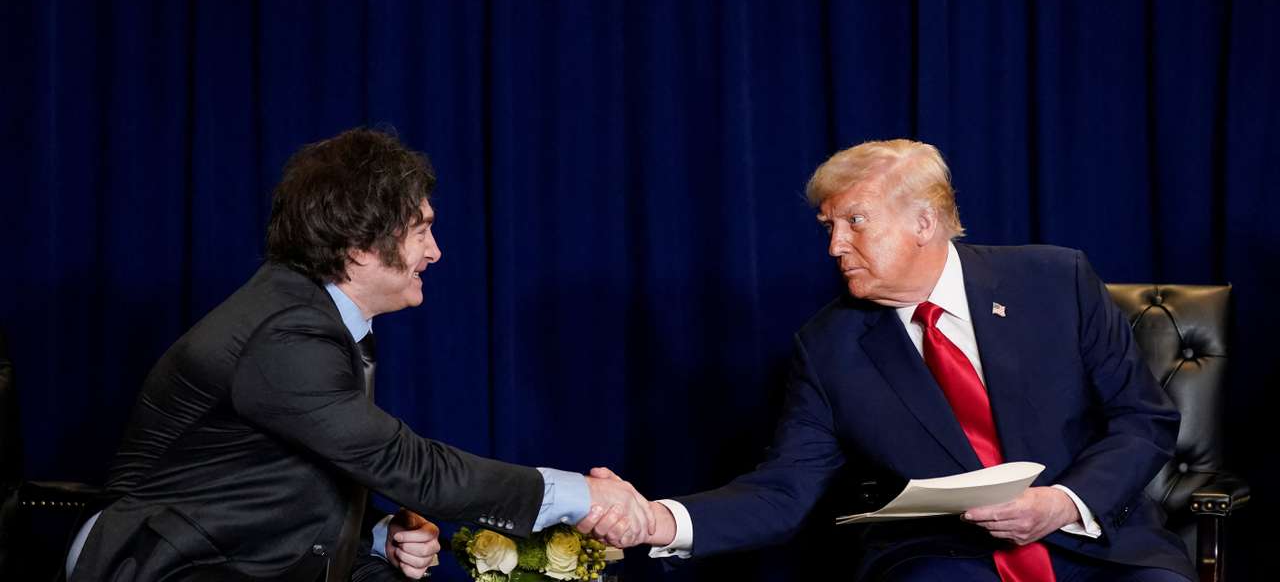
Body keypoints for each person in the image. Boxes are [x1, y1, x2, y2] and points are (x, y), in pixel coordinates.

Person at [584, 140, 1194, 581]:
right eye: (829, 226)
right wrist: (657, 520)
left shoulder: (1055, 280)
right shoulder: (828, 347)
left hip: (1095, 538)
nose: (834, 246)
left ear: (924, 222)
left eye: (854, 222)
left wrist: (1064, 502)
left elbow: (1142, 420)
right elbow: (783, 491)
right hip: (947, 556)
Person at [68, 128, 653, 582]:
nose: (436, 252)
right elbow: (408, 465)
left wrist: (377, 534)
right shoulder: (286, 332)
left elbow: (273, 478)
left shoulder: (307, 312)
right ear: (360, 247)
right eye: (421, 231)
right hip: (164, 567)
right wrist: (581, 494)